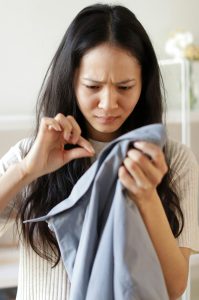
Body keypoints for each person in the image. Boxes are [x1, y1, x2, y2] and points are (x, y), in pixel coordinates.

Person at [0, 3, 198, 300]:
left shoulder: (174, 160)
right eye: (93, 86)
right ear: (72, 82)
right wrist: (28, 170)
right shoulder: (32, 153)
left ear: (144, 85)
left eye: (125, 87)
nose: (108, 103)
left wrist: (146, 197)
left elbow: (174, 287)